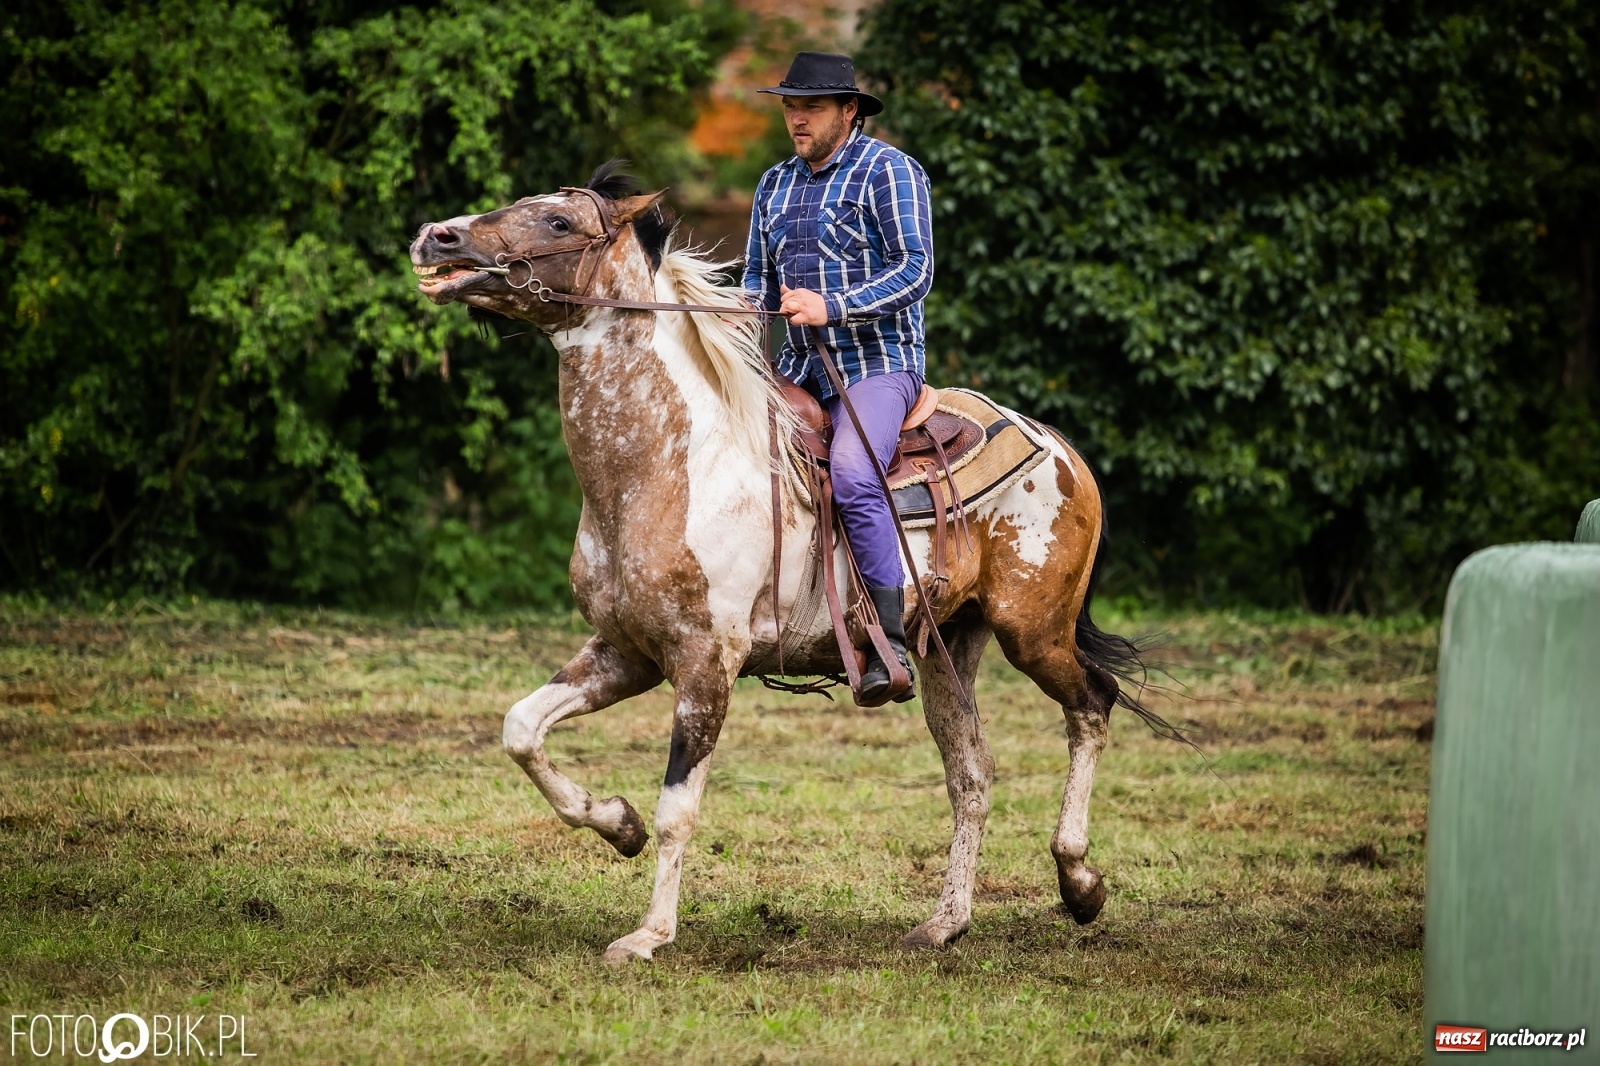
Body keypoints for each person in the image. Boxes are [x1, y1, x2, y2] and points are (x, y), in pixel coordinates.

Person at [744, 51, 934, 704]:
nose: (796, 118)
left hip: (878, 366)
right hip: (797, 369)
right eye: (790, 106)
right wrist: (741, 307)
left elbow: (917, 270)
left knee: (854, 473)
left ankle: (887, 643)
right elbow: (754, 280)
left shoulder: (892, 172)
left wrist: (833, 306)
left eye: (812, 107)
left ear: (849, 111)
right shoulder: (773, 185)